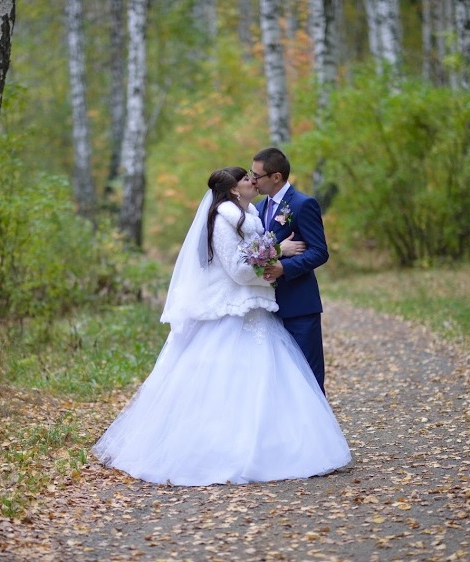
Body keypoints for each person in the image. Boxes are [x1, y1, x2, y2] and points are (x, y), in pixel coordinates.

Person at [91, 167, 350, 486]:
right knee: (224, 381)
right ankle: (218, 449)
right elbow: (238, 270)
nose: (253, 181)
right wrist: (278, 254)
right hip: (233, 310)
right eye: (247, 179)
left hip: (255, 309)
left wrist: (272, 257)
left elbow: (251, 256)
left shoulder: (250, 215)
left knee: (267, 380)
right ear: (234, 190)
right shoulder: (223, 220)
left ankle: (274, 446)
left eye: (254, 176)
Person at [251, 147, 330, 395]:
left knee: (308, 376)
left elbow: (319, 251)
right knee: (279, 379)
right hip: (267, 308)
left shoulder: (303, 204)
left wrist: (284, 267)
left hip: (299, 306)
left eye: (257, 176)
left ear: (276, 176)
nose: (252, 181)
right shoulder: (258, 208)